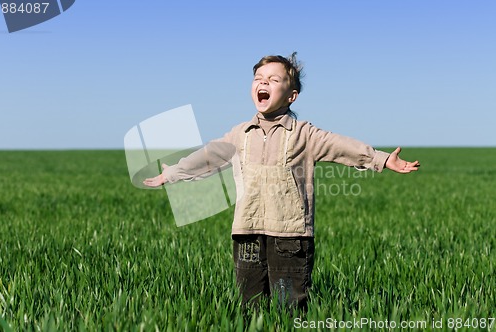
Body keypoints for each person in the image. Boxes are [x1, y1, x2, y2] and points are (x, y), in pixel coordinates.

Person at [143, 53, 420, 310]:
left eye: (274, 80)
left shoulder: (304, 134)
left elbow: (342, 146)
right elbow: (208, 156)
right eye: (258, 79)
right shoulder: (240, 134)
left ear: (291, 96)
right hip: (247, 232)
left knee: (289, 308)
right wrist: (173, 173)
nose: (263, 83)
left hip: (291, 237)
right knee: (249, 306)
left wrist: (381, 159)